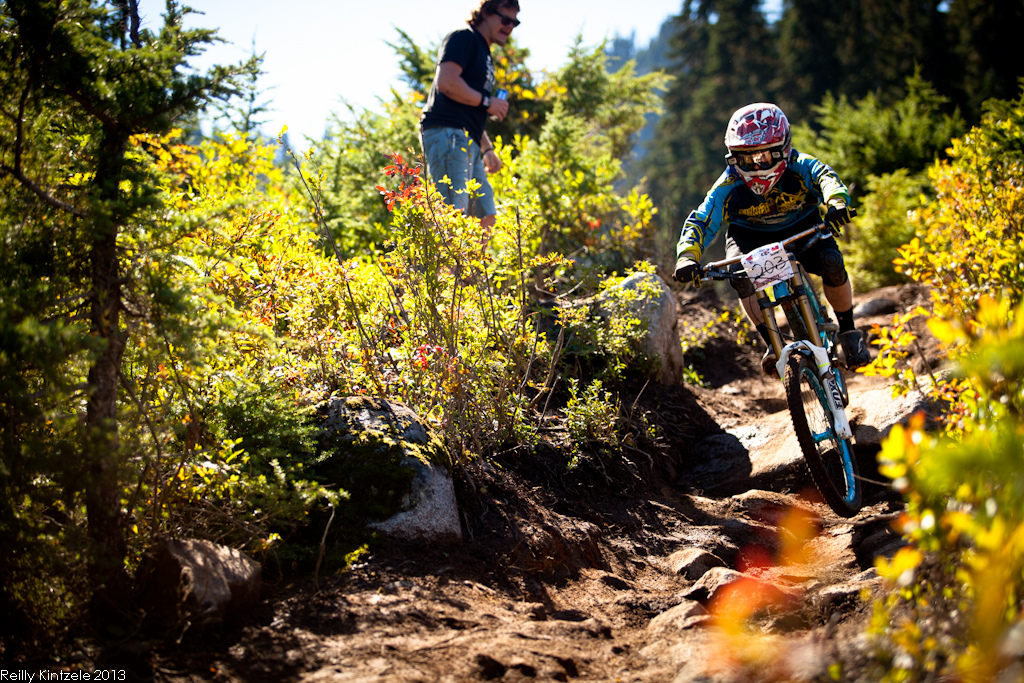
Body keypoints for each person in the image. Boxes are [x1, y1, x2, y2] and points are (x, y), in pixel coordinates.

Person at [673, 102, 872, 376]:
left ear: (784, 148)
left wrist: (837, 203)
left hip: (803, 226)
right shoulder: (728, 184)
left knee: (831, 261)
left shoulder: (800, 165)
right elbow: (702, 219)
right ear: (732, 156)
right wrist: (687, 256)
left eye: (764, 157)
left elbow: (825, 177)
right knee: (740, 276)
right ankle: (772, 342)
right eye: (745, 159)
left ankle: (849, 332)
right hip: (750, 235)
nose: (755, 166)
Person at [419, 0, 520, 230]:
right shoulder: (464, 37)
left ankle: (468, 268)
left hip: (467, 140)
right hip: (448, 135)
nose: (509, 26)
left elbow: (468, 109)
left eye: (515, 22)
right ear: (485, 12)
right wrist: (487, 102)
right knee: (453, 219)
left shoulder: (485, 54)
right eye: (505, 19)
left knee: (485, 217)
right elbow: (446, 82)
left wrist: (487, 149)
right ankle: (446, 267)